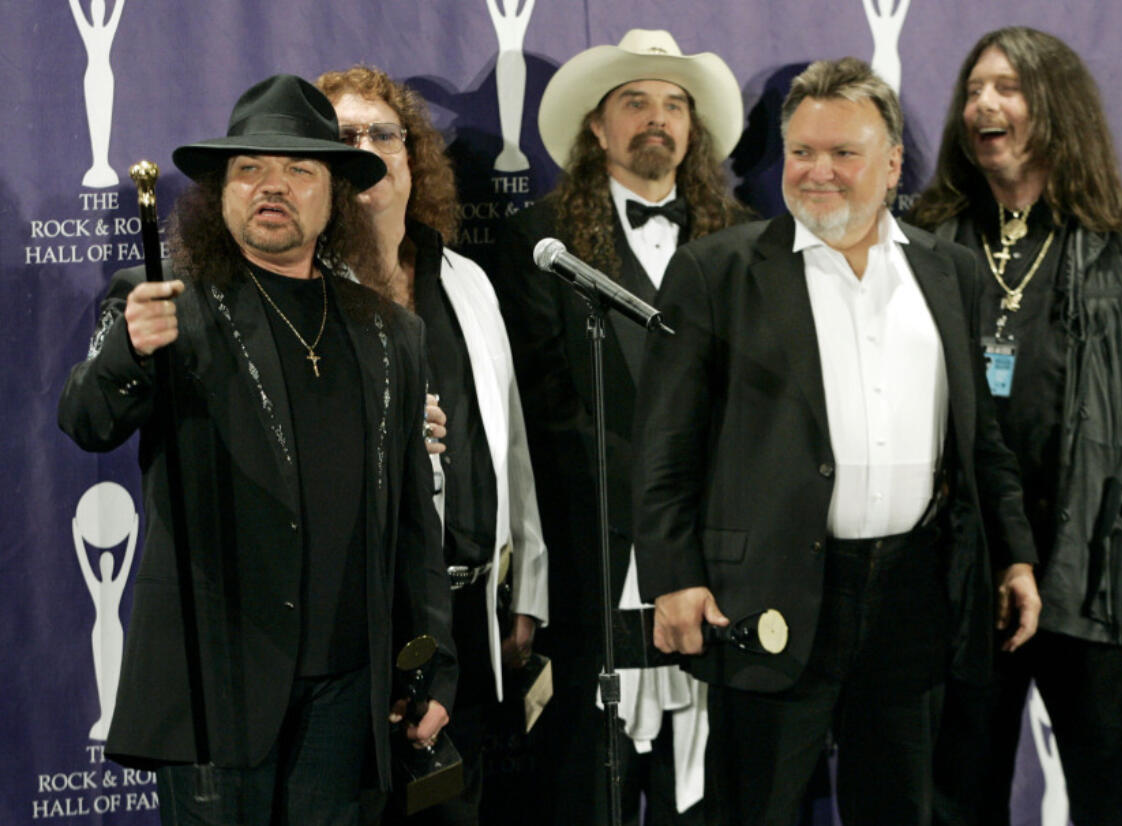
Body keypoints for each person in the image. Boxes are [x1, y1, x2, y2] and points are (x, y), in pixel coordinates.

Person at [632, 57, 1041, 826]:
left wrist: (1013, 553)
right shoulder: (715, 272)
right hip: (768, 596)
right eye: (801, 152)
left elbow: (983, 439)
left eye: (843, 153)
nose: (817, 172)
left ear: (891, 166)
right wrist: (672, 576)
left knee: (902, 807)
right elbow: (664, 448)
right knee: (754, 807)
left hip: (914, 597)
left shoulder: (950, 273)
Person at [57, 74, 456, 826]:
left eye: (299, 170)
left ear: (335, 193)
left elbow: (413, 520)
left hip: (348, 696)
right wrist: (128, 355)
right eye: (250, 170)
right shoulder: (165, 302)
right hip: (217, 689)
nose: (272, 187)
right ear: (221, 193)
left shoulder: (390, 332)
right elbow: (86, 421)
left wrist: (434, 664)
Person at [908, 27, 1122, 826]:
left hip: (1096, 561)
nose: (984, 103)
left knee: (1114, 798)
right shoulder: (930, 242)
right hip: (967, 572)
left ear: (1057, 108)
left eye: (1007, 87)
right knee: (954, 798)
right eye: (975, 89)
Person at [491, 28, 747, 825]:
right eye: (634, 102)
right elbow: (540, 409)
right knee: (584, 783)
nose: (657, 119)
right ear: (596, 127)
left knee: (701, 789)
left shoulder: (743, 242)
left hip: (719, 561)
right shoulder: (537, 241)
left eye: (674, 104)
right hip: (588, 564)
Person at [316, 64, 549, 825]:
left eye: (385, 134)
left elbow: (509, 443)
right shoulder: (301, 294)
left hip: (471, 617)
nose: (368, 149)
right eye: (343, 137)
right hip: (356, 630)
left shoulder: (468, 281)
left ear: (413, 158)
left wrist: (528, 591)